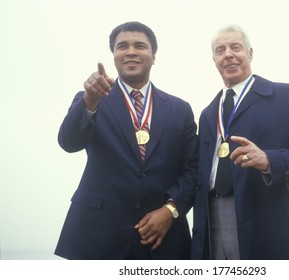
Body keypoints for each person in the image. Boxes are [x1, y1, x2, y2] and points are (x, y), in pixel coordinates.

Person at [55, 21, 198, 260]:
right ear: (114, 57)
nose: (131, 51)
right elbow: (69, 142)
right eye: (122, 46)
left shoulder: (179, 109)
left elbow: (193, 169)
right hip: (98, 235)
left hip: (162, 239)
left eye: (140, 45)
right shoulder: (91, 98)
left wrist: (170, 210)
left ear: (153, 56)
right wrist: (90, 100)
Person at [191, 24, 289, 260]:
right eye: (220, 50)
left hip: (265, 219)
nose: (228, 54)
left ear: (250, 53)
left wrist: (268, 160)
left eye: (236, 47)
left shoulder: (287, 96)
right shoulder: (207, 113)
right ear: (214, 60)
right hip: (212, 219)